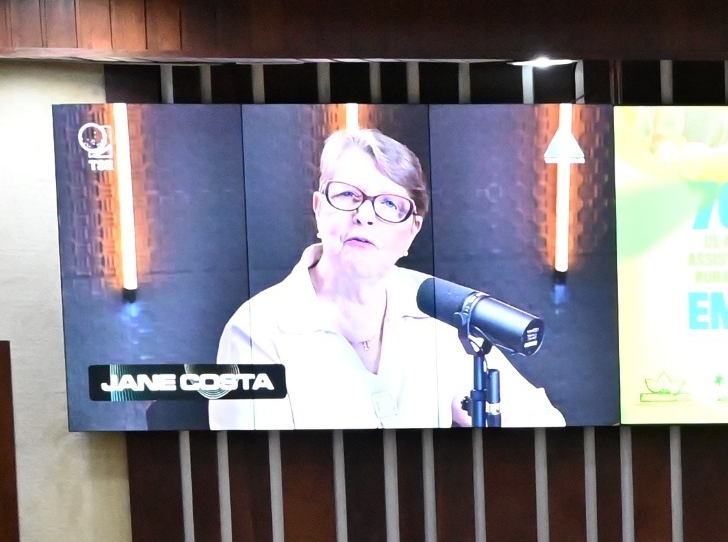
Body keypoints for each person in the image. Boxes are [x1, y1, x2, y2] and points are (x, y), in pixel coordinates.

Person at [213, 125, 563, 430]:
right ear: (319, 209)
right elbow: (254, 469)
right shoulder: (253, 330)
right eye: (348, 195)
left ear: (412, 231)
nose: (364, 215)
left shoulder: (439, 310)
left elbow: (541, 421)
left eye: (390, 204)